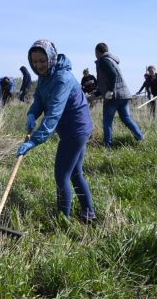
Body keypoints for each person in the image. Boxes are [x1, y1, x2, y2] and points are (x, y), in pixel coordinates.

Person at [17, 39, 95, 222]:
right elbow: (39, 100)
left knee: (62, 175)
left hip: (75, 130)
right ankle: (88, 213)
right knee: (75, 173)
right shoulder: (46, 77)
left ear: (51, 57)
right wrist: (32, 114)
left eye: (42, 61)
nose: (39, 66)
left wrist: (34, 140)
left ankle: (62, 220)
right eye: (34, 62)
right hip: (73, 129)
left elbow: (53, 115)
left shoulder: (62, 79)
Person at [93, 42, 144, 146]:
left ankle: (108, 145)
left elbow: (112, 75)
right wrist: (96, 93)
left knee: (107, 122)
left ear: (98, 52)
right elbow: (105, 80)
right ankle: (140, 138)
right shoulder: (112, 60)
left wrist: (110, 91)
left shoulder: (103, 60)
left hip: (113, 97)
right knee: (126, 118)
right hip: (123, 95)